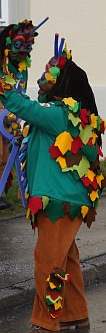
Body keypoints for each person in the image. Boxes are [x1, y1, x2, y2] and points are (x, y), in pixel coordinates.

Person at [0, 39, 105, 333]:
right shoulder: (68, 114)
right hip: (67, 198)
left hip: (58, 201)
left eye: (48, 73)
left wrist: (4, 84)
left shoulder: (60, 113)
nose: (40, 78)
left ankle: (47, 325)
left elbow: (22, 106)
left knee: (49, 263)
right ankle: (75, 313)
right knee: (66, 257)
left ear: (62, 82)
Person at [0, 20, 37, 207]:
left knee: (6, 158)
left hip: (10, 118)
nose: (24, 50)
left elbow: (19, 91)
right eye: (18, 45)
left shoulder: (22, 67)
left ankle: (2, 192)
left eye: (28, 46)